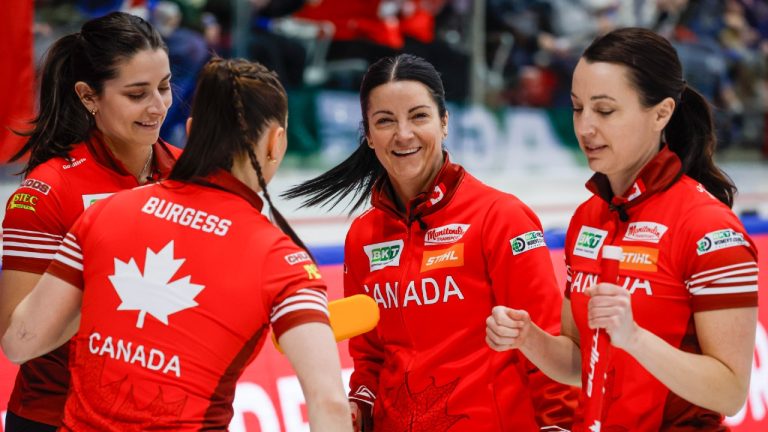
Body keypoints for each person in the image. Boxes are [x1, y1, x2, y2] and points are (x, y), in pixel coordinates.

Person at [2, 57, 353, 431]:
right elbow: (329, 402)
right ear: (275, 142)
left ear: (191, 130)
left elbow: (20, 343)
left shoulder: (105, 213)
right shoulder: (283, 260)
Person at [284, 53, 577, 431]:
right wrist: (359, 409)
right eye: (385, 121)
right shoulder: (363, 236)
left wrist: (559, 425)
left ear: (444, 122)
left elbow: (546, 342)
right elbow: (370, 356)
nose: (403, 134)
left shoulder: (500, 217)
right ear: (369, 136)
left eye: (418, 116)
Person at [485, 27, 758, 431]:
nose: (585, 127)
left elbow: (731, 392)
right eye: (578, 108)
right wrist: (529, 339)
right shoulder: (588, 218)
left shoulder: (709, 228)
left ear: (661, 113)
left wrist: (635, 339)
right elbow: (583, 362)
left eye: (605, 110)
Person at [0, 12, 180, 432]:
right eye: (137, 94)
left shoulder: (188, 174)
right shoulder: (47, 192)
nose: (158, 106)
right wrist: (120, 278)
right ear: (88, 96)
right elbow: (15, 342)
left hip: (160, 414)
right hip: (59, 417)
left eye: (165, 86)